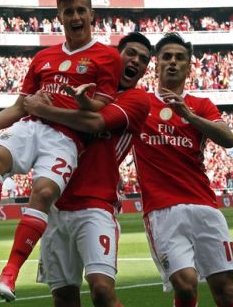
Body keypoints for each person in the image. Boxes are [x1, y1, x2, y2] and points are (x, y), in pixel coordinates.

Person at [0, 0, 121, 301]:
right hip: (31, 125)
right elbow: (20, 107)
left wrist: (83, 102)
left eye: (81, 10)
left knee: (43, 193)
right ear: (59, 17)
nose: (76, 17)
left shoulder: (107, 56)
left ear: (92, 15)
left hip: (67, 137)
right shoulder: (43, 57)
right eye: (69, 11)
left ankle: (10, 273)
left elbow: (102, 109)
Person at [23, 32, 152, 307]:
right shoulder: (80, 86)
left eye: (143, 59)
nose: (136, 61)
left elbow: (93, 122)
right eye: (131, 53)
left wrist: (41, 109)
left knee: (102, 291)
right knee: (64, 296)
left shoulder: (136, 100)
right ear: (115, 57)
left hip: (96, 202)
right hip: (55, 201)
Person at [131, 33, 233, 307]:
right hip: (162, 210)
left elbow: (228, 138)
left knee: (225, 291)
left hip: (204, 206)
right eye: (166, 57)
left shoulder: (201, 105)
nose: (172, 62)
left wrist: (190, 116)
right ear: (156, 65)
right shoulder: (139, 103)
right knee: (185, 285)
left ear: (189, 66)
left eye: (179, 58)